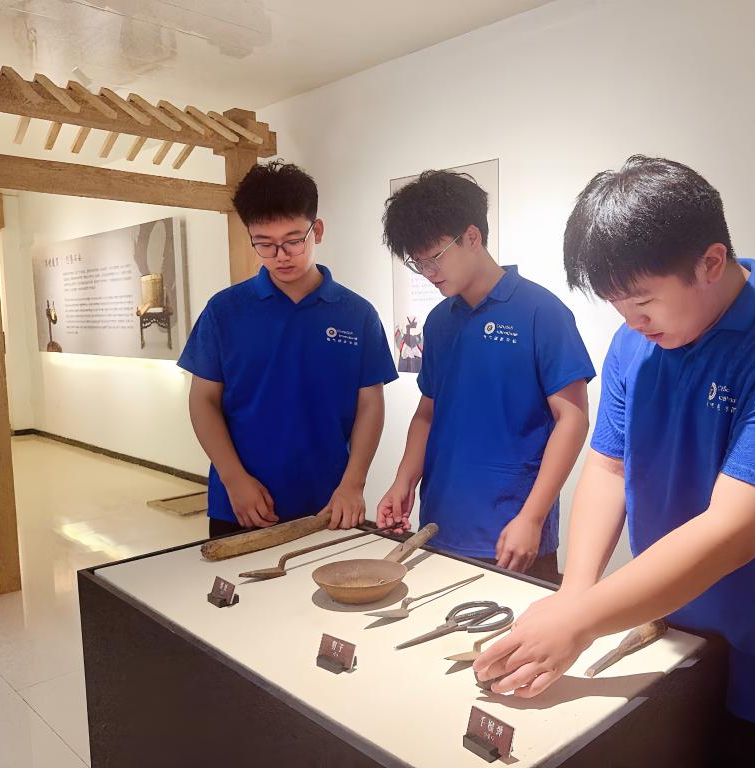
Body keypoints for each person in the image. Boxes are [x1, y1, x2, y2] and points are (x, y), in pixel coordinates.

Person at [474, 156, 755, 767]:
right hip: (666, 636)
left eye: (643, 301)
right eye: (617, 305)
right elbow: (608, 468)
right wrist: (575, 593)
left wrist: (581, 620)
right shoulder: (634, 343)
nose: (631, 322)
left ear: (710, 263)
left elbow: (733, 531)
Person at [376, 170, 594, 584]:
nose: (427, 272)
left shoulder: (542, 312)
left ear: (472, 237)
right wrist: (403, 481)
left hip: (513, 534)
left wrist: (533, 517)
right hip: (438, 527)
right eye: (417, 263)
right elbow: (427, 413)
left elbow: (573, 418)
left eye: (434, 257)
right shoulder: (439, 321)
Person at [178, 160, 398, 537]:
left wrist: (354, 484)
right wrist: (233, 479)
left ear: (318, 231)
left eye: (294, 240)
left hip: (329, 504)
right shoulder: (225, 311)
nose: (280, 255)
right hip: (243, 504)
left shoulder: (357, 314)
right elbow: (203, 400)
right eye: (264, 243)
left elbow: (370, 404)